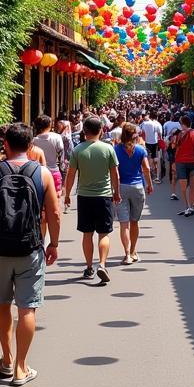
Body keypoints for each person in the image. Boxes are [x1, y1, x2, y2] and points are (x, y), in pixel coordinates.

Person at [0, 123, 60, 387]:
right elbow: (53, 214)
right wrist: (53, 243)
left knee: (1, 304)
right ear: (31, 146)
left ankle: (7, 359)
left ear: (5, 145)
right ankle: (22, 368)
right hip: (30, 247)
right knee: (27, 308)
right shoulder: (42, 174)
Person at [65, 115, 121, 284]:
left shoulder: (78, 150)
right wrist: (116, 192)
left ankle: (89, 267)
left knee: (87, 234)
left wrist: (67, 194)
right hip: (104, 196)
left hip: (84, 196)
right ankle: (102, 264)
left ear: (84, 131)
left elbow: (71, 175)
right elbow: (115, 174)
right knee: (104, 233)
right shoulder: (108, 149)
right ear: (102, 131)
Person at [114, 122, 153, 265]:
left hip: (121, 187)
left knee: (124, 224)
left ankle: (127, 254)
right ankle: (133, 251)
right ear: (135, 134)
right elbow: (147, 168)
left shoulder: (116, 149)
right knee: (134, 222)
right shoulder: (140, 150)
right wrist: (150, 184)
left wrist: (114, 189)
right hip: (137, 187)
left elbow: (114, 171)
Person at [173, 115, 194, 215]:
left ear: (183, 124)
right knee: (192, 186)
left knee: (183, 187)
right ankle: (191, 207)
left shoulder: (180, 134)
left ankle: (187, 206)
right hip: (193, 161)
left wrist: (174, 162)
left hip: (181, 161)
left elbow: (176, 147)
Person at [140, 111, 163, 183]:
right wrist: (160, 138)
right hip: (155, 142)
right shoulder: (154, 123)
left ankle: (151, 170)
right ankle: (155, 170)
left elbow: (141, 132)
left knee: (149, 157)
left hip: (147, 142)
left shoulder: (143, 124)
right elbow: (159, 132)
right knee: (155, 156)